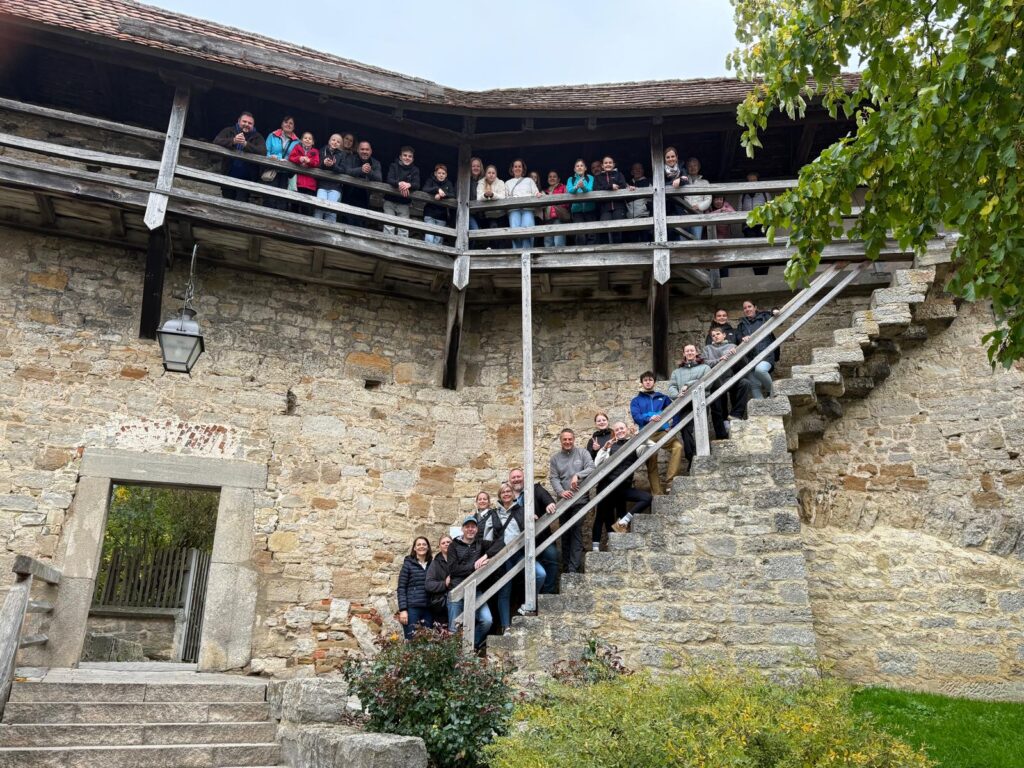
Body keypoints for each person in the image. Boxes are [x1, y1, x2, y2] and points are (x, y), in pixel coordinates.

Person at [481, 483, 546, 634]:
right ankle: (506, 627)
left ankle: (527, 603)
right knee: (505, 592)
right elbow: (487, 540)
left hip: (519, 554)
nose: (506, 493)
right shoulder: (493, 514)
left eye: (508, 491)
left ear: (512, 493)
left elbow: (527, 529)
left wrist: (532, 519)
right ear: (499, 496)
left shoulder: (522, 511)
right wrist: (488, 556)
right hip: (501, 558)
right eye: (503, 492)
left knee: (540, 574)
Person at [548, 428, 595, 574]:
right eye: (564, 439)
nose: (567, 442)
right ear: (561, 441)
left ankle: (573, 569)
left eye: (570, 439)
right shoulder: (555, 459)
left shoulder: (583, 453)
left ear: (574, 439)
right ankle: (567, 568)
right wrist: (561, 492)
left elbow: (591, 468)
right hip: (563, 502)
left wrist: (578, 475)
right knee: (565, 534)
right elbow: (554, 478)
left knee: (575, 531)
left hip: (580, 500)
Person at [508, 468, 559, 595]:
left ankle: (547, 594)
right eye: (513, 478)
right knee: (525, 574)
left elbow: (547, 499)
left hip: (541, 537)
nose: (516, 479)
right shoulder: (508, 498)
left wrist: (549, 504)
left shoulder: (535, 489)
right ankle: (528, 601)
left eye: (518, 476)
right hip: (520, 544)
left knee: (552, 557)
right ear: (510, 481)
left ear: (524, 477)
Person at [630, 371, 682, 494]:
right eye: (645, 380)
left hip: (662, 431)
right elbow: (636, 416)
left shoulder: (663, 398)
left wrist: (673, 427)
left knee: (678, 447)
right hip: (646, 434)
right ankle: (657, 494)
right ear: (642, 383)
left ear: (654, 382)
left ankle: (670, 480)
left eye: (650, 380)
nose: (648, 382)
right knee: (652, 463)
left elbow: (676, 410)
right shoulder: (636, 400)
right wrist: (649, 417)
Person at [596, 421, 653, 534]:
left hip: (625, 488)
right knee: (609, 519)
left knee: (647, 498)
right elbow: (597, 464)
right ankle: (611, 543)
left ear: (626, 430)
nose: (620, 431)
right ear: (614, 433)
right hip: (610, 488)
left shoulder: (635, 444)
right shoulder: (610, 446)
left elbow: (653, 447)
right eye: (616, 430)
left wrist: (640, 436)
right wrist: (604, 449)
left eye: (622, 428)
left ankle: (624, 521)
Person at [446, 514, 493, 649]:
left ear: (477, 530)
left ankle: (470, 648)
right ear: (463, 529)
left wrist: (486, 556)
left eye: (473, 527)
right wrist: (473, 567)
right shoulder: (453, 546)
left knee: (487, 620)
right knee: (454, 628)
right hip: (457, 590)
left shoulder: (481, 544)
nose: (470, 529)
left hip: (475, 589)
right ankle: (454, 656)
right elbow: (453, 569)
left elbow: (500, 543)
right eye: (467, 527)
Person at [703, 327, 751, 438]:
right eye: (713, 335)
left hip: (729, 379)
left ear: (724, 335)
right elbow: (704, 362)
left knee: (745, 383)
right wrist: (719, 360)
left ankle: (736, 414)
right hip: (714, 382)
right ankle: (721, 436)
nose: (715, 336)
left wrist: (738, 355)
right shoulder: (707, 349)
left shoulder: (732, 346)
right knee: (717, 409)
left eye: (718, 334)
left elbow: (744, 364)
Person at [213, 111, 266, 203]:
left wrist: (246, 144)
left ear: (253, 125)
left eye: (250, 123)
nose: (246, 124)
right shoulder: (229, 131)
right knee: (227, 200)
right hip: (228, 173)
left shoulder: (258, 137)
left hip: (247, 177)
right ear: (238, 121)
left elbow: (263, 151)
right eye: (244, 121)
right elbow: (216, 141)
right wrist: (233, 141)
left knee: (242, 201)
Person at [668, 344, 711, 458]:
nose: (690, 352)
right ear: (684, 354)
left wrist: (688, 384)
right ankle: (690, 457)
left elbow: (707, 382)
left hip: (700, 402)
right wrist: (677, 394)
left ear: (696, 352)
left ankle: (702, 456)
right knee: (685, 430)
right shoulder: (677, 372)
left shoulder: (705, 368)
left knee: (700, 429)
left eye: (692, 350)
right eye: (687, 351)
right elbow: (672, 387)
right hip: (684, 404)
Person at [737, 300, 781, 399]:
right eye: (745, 308)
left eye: (749, 306)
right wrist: (742, 339)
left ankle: (772, 392)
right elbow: (738, 338)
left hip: (766, 354)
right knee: (754, 385)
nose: (747, 309)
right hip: (750, 358)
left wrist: (775, 310)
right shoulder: (742, 324)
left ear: (755, 307)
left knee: (760, 370)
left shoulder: (764, 317)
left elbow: (776, 317)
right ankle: (761, 408)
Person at [397, 536, 433, 639]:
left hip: (428, 609)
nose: (421, 546)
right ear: (414, 548)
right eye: (419, 544)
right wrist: (403, 610)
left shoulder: (433, 564)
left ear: (428, 547)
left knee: (428, 641)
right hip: (412, 608)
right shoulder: (408, 565)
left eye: (424, 544)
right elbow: (401, 588)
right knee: (411, 640)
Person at [592, 155, 632, 244]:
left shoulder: (619, 175)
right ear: (602, 165)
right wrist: (610, 186)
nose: (608, 164)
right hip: (605, 208)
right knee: (605, 227)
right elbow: (596, 189)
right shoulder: (598, 177)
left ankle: (619, 250)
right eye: (606, 163)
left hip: (619, 206)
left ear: (614, 165)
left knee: (618, 228)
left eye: (610, 163)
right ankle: (608, 251)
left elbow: (623, 186)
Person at [263, 115, 298, 210]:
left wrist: (289, 162)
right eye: (286, 122)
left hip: (286, 173)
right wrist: (272, 157)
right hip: (272, 170)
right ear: (282, 124)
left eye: (291, 123)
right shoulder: (272, 135)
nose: (288, 125)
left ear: (294, 127)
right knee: (270, 197)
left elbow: (297, 157)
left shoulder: (297, 142)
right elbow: (265, 151)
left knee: (282, 200)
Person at [505, 159, 542, 250]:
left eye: (519, 166)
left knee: (528, 231)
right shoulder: (507, 183)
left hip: (527, 209)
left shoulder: (529, 180)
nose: (517, 168)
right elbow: (505, 197)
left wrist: (537, 194)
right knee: (515, 233)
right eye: (515, 166)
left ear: (523, 169)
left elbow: (536, 192)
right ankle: (516, 254)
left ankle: (528, 253)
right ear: (512, 169)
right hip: (514, 210)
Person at [384, 146, 420, 237]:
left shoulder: (415, 170)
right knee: (389, 226)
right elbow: (389, 179)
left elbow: (417, 184)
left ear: (412, 159)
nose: (407, 158)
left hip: (404, 203)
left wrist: (409, 185)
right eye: (405, 155)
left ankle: (401, 250)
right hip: (390, 200)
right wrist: (399, 183)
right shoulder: (393, 166)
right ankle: (387, 247)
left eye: (410, 156)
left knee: (403, 228)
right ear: (400, 157)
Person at [344, 141, 382, 226]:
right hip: (349, 196)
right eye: (362, 149)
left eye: (367, 149)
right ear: (358, 150)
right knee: (347, 223)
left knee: (361, 225)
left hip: (365, 199)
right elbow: (347, 171)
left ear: (371, 151)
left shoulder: (375, 163)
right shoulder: (351, 158)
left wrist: (369, 171)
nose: (364, 151)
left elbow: (379, 178)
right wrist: (361, 170)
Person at [316, 133, 346, 223]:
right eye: (333, 140)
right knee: (319, 207)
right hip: (322, 185)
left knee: (331, 211)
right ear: (329, 141)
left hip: (335, 187)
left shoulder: (342, 155)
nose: (335, 142)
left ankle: (329, 234)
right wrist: (323, 163)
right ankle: (315, 229)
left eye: (338, 141)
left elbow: (343, 170)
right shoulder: (322, 150)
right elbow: (316, 164)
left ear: (340, 145)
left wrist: (333, 165)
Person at [287, 132, 320, 215]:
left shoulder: (315, 151)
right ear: (301, 140)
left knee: (307, 208)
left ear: (313, 142)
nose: (307, 140)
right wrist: (299, 158)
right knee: (295, 205)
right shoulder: (297, 147)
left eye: (310, 138)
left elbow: (317, 163)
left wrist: (309, 161)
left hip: (310, 185)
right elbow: (291, 157)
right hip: (298, 183)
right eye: (305, 138)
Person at [566, 159, 596, 246]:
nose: (579, 167)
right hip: (576, 211)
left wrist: (582, 187)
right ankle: (581, 253)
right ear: (574, 169)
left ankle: (591, 253)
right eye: (577, 166)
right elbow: (570, 190)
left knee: (591, 233)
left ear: (585, 168)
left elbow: (590, 189)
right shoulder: (571, 179)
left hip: (590, 209)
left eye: (581, 165)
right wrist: (576, 187)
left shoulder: (590, 178)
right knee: (580, 234)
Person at [422, 163, 454, 244]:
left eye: (443, 173)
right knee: (429, 237)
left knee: (438, 239)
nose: (441, 175)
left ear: (446, 175)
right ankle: (428, 254)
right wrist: (437, 189)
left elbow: (453, 195)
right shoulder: (430, 181)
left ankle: (435, 256)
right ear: (435, 173)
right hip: (430, 214)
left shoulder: (449, 184)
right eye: (439, 173)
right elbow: (425, 189)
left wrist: (442, 195)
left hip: (442, 216)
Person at [424, 533, 452, 628]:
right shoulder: (435, 563)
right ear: (439, 546)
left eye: (448, 542)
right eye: (443, 543)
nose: (446, 544)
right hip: (441, 606)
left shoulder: (459, 560)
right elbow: (428, 585)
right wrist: (444, 583)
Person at [663, 146, 689, 240]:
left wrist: (680, 180)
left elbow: (686, 181)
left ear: (677, 157)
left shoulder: (682, 169)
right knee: (670, 233)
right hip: (667, 207)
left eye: (673, 156)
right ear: (664, 159)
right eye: (668, 157)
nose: (671, 159)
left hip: (680, 205)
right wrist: (677, 180)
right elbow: (661, 185)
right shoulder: (660, 171)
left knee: (684, 230)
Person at [684, 157, 712, 239]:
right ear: (686, 168)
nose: (692, 168)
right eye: (690, 166)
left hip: (698, 215)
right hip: (684, 215)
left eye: (695, 165)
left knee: (696, 239)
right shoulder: (683, 182)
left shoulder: (705, 182)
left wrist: (699, 206)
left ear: (699, 167)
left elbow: (708, 199)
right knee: (683, 241)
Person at [477, 164, 507, 242]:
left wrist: (493, 195)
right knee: (489, 236)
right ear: (486, 174)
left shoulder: (500, 182)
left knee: (500, 236)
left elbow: (503, 196)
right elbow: (478, 198)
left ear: (496, 174)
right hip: (487, 215)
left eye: (493, 173)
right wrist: (485, 195)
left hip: (500, 214)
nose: (491, 175)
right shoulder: (481, 183)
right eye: (489, 173)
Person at [541, 170, 569, 248]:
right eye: (550, 177)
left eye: (554, 177)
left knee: (559, 243)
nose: (552, 178)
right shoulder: (544, 192)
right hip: (547, 220)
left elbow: (567, 203)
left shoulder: (564, 187)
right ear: (547, 179)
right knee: (548, 244)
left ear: (558, 179)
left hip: (559, 218)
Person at [626, 162, 651, 242]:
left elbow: (651, 200)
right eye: (635, 169)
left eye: (639, 168)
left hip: (644, 215)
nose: (637, 170)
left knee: (645, 240)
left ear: (643, 170)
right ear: (632, 172)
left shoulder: (648, 182)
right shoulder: (627, 184)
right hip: (630, 218)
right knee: (633, 242)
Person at [467, 156, 485, 240]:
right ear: (470, 167)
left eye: (478, 166)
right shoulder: (464, 180)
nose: (476, 168)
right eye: (473, 166)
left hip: (480, 213)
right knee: (475, 230)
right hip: (468, 213)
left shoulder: (484, 181)